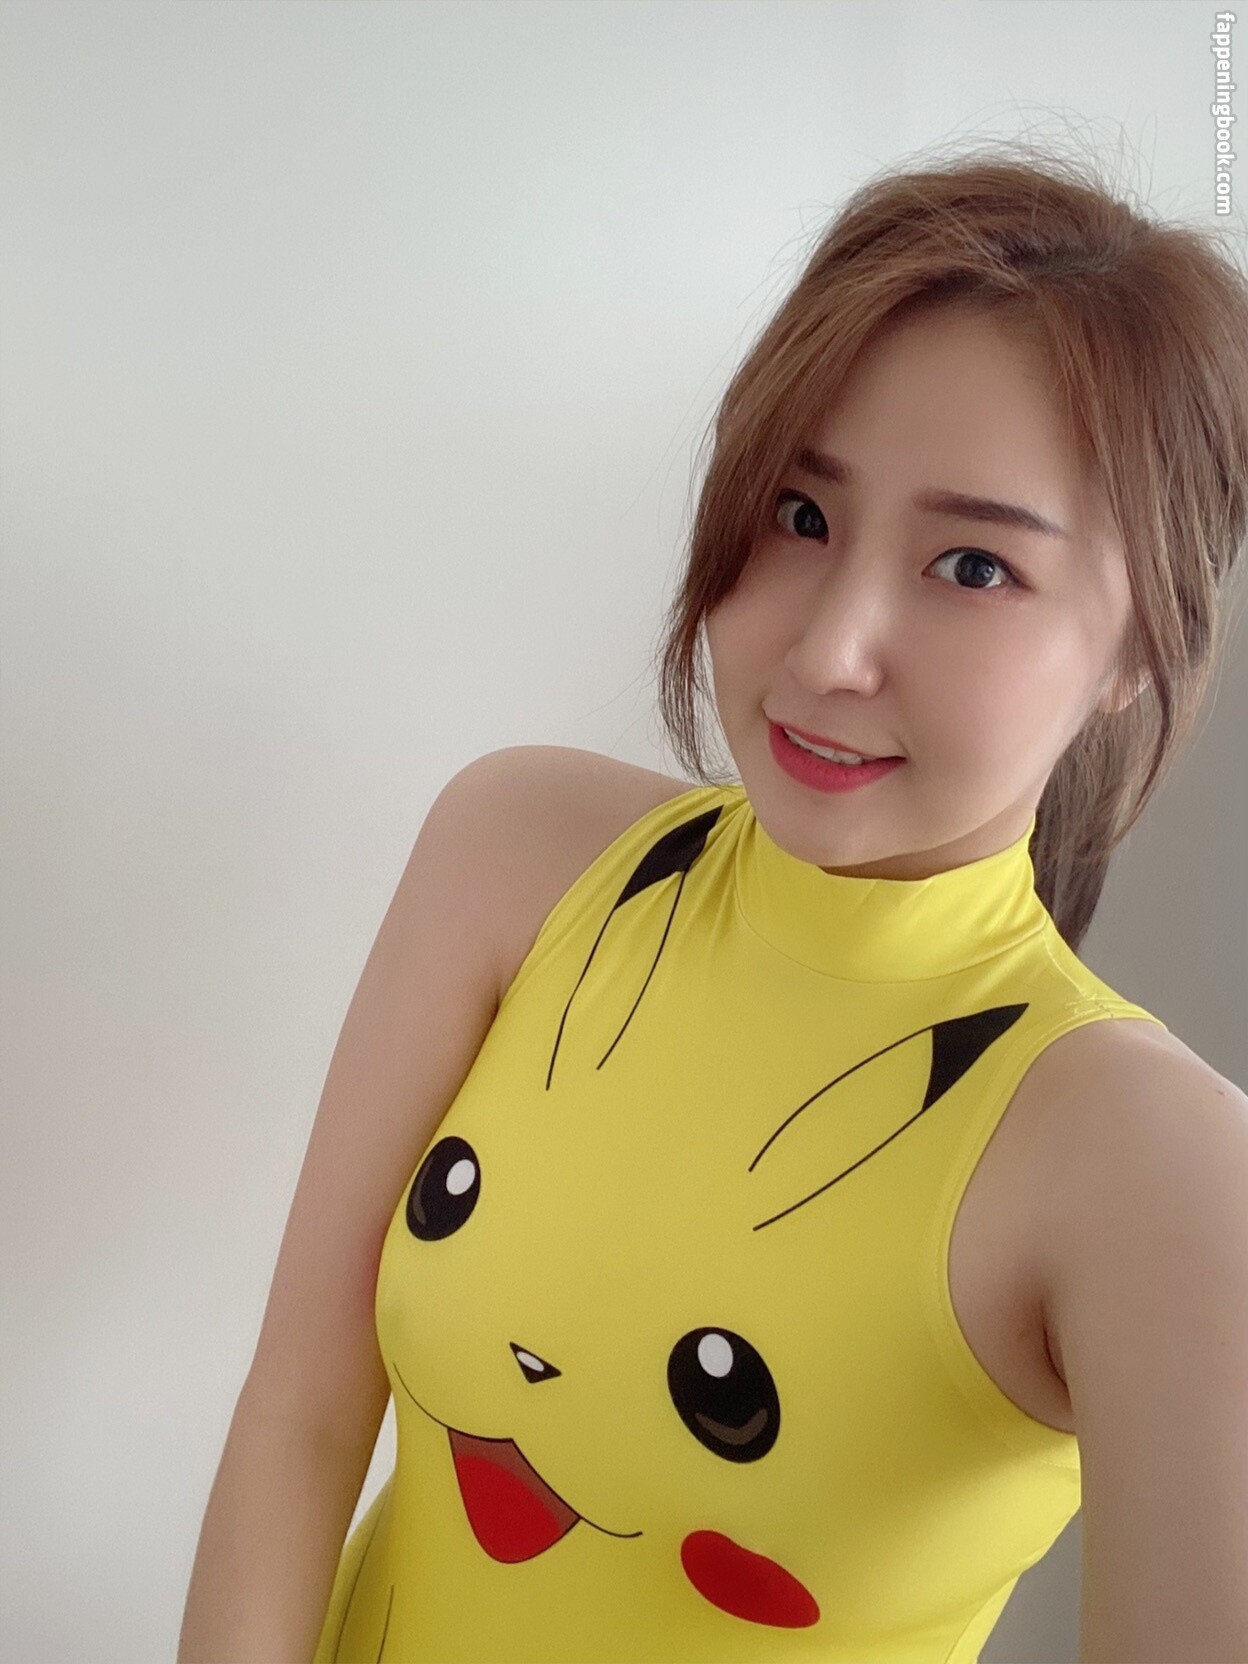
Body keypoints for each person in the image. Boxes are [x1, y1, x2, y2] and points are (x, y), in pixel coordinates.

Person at [179, 141, 1248, 1664]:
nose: (827, 652)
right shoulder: (517, 853)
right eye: (801, 517)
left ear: (1143, 644)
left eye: (971, 566)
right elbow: (298, 1414)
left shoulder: (1152, 1166)